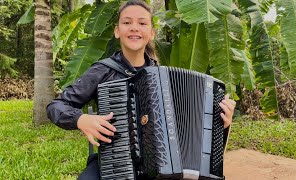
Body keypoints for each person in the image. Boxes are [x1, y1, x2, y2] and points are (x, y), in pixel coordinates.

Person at [46, 0, 236, 179]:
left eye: (142, 23)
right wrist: (80, 119)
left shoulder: (162, 76)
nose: (134, 28)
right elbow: (57, 106)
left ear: (152, 33)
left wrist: (221, 123)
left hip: (162, 168)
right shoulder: (103, 70)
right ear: (117, 31)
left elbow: (193, 130)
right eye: (127, 22)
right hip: (115, 164)